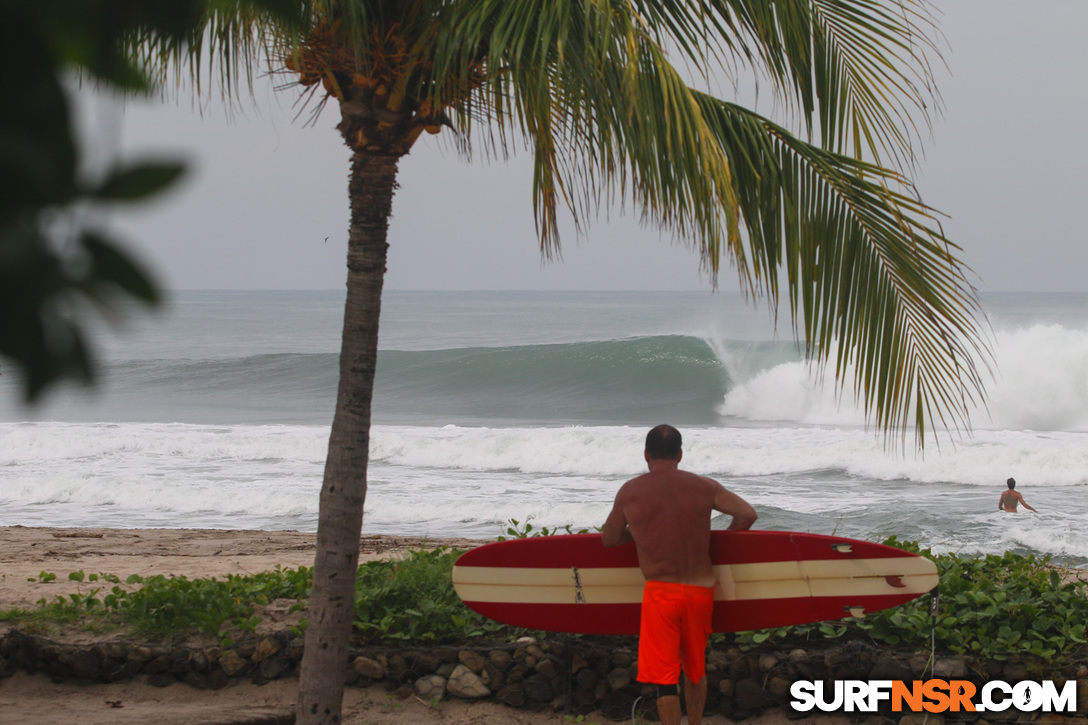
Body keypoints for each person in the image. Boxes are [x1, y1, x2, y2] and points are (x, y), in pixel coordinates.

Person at [602, 425, 757, 725]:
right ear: (680, 454)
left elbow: (609, 538)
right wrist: (720, 542)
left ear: (646, 454)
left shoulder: (631, 491)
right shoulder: (704, 486)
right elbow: (747, 515)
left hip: (661, 593)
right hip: (700, 591)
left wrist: (644, 534)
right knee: (695, 671)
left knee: (665, 679)